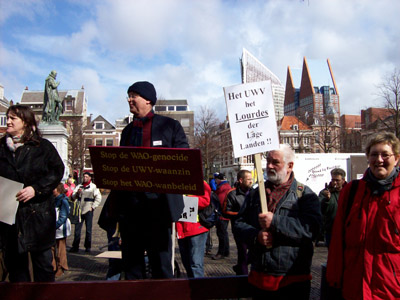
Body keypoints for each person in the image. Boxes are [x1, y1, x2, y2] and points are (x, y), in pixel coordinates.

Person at [113, 81, 189, 279]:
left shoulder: (170, 126)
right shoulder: (127, 132)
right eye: (128, 95)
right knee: (131, 266)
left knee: (162, 265)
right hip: (132, 209)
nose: (129, 99)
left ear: (148, 100)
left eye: (133, 95)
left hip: (159, 208)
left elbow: (183, 160)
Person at [234, 144, 321, 299]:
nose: (269, 166)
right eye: (267, 161)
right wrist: (256, 236)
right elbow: (238, 224)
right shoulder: (255, 194)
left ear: (290, 165)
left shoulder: (305, 195)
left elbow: (312, 229)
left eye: (275, 162)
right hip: (259, 277)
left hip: (292, 281)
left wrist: (275, 222)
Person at [326, 132, 400, 300]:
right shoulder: (352, 191)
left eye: (385, 155)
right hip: (355, 289)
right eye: (374, 154)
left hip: (392, 291)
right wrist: (334, 282)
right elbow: (338, 241)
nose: (379, 160)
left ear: (396, 158)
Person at [0, 105, 64, 282]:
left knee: (43, 266)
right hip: (9, 217)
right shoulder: (1, 147)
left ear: (26, 122)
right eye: (8, 117)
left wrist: (36, 188)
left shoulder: (42, 146)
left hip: (38, 216)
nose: (9, 121)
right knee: (16, 268)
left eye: (13, 118)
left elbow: (57, 170)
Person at [176, 181, 211, 278]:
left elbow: (205, 200)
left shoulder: (199, 182)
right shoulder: (174, 182)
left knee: (195, 264)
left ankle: (198, 290)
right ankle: (192, 286)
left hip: (196, 228)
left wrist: (185, 200)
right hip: (181, 229)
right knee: (186, 262)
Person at [223, 169, 253, 275]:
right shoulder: (232, 194)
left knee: (255, 251)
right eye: (249, 179)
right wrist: (241, 214)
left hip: (253, 227)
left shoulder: (254, 192)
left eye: (251, 179)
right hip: (239, 229)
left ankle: (239, 267)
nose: (251, 181)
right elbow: (226, 211)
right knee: (242, 254)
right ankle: (242, 277)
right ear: (241, 180)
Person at [69, 172, 102, 253]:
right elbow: (73, 196)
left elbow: (98, 198)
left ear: (90, 178)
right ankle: (75, 246)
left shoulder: (93, 187)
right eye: (84, 176)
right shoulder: (79, 186)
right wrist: (77, 193)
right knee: (77, 230)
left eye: (86, 177)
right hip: (79, 210)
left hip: (88, 210)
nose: (85, 178)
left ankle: (88, 247)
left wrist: (93, 207)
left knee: (88, 230)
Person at [318, 168, 346, 248]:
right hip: (331, 230)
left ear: (343, 180)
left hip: (346, 229)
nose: (334, 183)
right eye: (333, 180)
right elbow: (321, 210)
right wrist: (327, 200)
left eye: (337, 180)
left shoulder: (348, 191)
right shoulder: (325, 192)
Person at [52, 183, 70, 278]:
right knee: (51, 248)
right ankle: (52, 267)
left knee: (61, 249)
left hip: (60, 228)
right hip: (52, 228)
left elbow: (63, 216)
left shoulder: (63, 201)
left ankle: (61, 267)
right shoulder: (52, 200)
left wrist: (54, 226)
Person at [212, 173, 232, 260]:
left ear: (218, 179)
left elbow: (219, 201)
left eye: (216, 179)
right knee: (224, 233)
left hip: (221, 215)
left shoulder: (222, 188)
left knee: (221, 234)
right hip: (225, 214)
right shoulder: (227, 186)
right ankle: (226, 251)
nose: (215, 181)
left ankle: (221, 252)